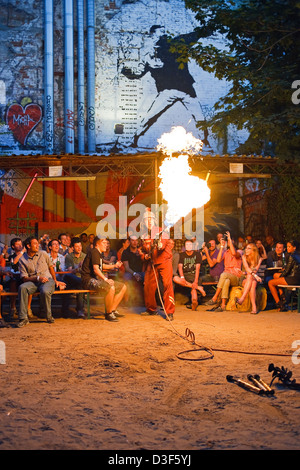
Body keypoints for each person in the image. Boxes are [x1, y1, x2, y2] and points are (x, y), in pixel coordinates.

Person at [17, 237, 66, 327]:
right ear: (28, 246)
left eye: (37, 243)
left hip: (48, 280)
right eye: (35, 243)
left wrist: (55, 281)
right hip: (33, 281)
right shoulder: (22, 259)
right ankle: (23, 318)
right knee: (22, 287)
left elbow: (51, 267)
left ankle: (48, 316)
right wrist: (37, 278)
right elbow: (24, 278)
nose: (37, 245)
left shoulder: (43, 254)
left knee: (45, 291)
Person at [140, 208, 175, 321]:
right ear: (143, 222)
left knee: (167, 284)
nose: (149, 221)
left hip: (164, 261)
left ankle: (169, 312)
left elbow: (162, 246)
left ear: (154, 221)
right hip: (152, 262)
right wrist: (144, 256)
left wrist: (158, 244)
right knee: (148, 285)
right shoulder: (144, 235)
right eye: (146, 219)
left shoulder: (161, 231)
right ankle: (151, 309)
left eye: (151, 219)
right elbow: (141, 250)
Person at [81, 237, 127, 322]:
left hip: (95, 280)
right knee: (110, 287)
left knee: (123, 286)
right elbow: (96, 269)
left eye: (107, 243)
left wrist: (114, 266)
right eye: (104, 243)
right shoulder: (94, 251)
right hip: (88, 280)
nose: (106, 245)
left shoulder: (98, 253)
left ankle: (112, 310)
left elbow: (102, 266)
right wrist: (106, 279)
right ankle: (108, 314)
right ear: (97, 244)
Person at [206, 232, 242, 312]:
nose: (228, 242)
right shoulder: (226, 252)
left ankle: (215, 297)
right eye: (228, 241)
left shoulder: (240, 251)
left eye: (230, 240)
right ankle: (223, 305)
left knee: (224, 274)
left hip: (236, 277)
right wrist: (222, 246)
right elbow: (218, 260)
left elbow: (234, 253)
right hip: (227, 276)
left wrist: (229, 239)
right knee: (226, 281)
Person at [173, 239, 206, 311]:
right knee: (176, 279)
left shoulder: (197, 255)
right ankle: (199, 288)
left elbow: (197, 268)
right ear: (184, 247)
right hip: (185, 275)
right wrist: (182, 277)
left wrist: (196, 280)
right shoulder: (181, 255)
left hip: (195, 275)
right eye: (187, 245)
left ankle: (194, 301)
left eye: (190, 245)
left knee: (193, 287)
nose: (189, 246)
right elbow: (180, 267)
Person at [268, 240, 300, 311]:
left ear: (294, 247)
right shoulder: (297, 255)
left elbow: (287, 271)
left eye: (289, 247)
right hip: (296, 277)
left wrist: (281, 275)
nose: (287, 248)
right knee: (275, 275)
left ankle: (279, 304)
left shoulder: (292, 256)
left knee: (270, 283)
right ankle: (283, 296)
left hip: (293, 278)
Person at [234, 243, 263, 314]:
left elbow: (255, 270)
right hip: (245, 278)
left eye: (248, 248)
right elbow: (247, 269)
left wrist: (254, 275)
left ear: (253, 250)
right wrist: (255, 276)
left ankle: (242, 299)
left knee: (253, 282)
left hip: (254, 279)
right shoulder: (244, 257)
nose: (246, 250)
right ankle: (254, 307)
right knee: (251, 279)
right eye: (246, 248)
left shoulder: (258, 258)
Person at [63, 237, 86, 318]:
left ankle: (80, 310)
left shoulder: (85, 256)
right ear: (73, 247)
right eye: (77, 246)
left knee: (80, 286)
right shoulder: (69, 257)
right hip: (71, 279)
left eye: (80, 246)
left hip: (81, 279)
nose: (79, 248)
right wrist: (78, 267)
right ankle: (66, 310)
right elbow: (69, 271)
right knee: (71, 284)